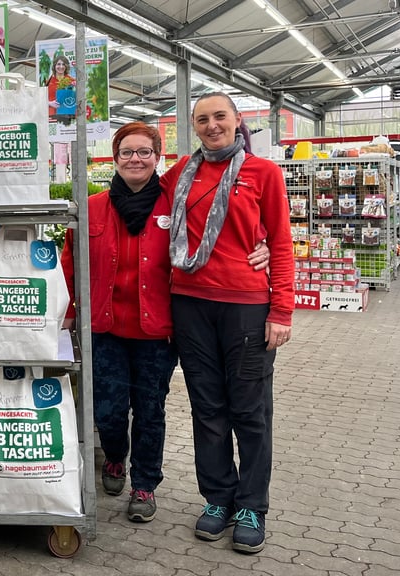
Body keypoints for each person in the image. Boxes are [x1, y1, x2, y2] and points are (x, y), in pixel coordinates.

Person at [59, 122, 268, 525]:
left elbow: (226, 221)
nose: (135, 159)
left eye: (144, 152)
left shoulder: (177, 204)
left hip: (155, 332)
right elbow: (70, 263)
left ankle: (145, 485)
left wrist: (264, 244)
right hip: (104, 328)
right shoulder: (92, 207)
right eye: (127, 152)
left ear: (158, 158)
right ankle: (115, 455)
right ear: (115, 158)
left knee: (150, 411)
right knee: (108, 410)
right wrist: (67, 313)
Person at [159, 92, 293, 554]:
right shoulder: (181, 172)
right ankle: (218, 497)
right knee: (207, 407)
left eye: (220, 116)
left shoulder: (263, 172)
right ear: (193, 126)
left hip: (245, 306)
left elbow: (281, 242)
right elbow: (141, 200)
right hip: (190, 305)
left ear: (237, 120)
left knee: (250, 411)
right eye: (202, 119)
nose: (212, 125)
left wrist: (281, 310)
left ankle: (252, 505)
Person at [46, 53, 75, 118]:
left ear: (66, 66)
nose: (61, 67)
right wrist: (49, 103)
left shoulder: (72, 81)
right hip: (51, 115)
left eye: (63, 64)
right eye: (58, 64)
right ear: (54, 66)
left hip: (67, 115)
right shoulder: (48, 82)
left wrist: (74, 88)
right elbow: (40, 99)